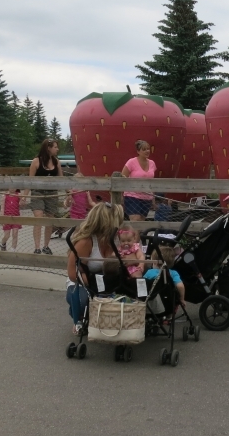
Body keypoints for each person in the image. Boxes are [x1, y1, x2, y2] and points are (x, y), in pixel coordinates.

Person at [66, 202, 124, 334]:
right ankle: (79, 316)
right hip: (84, 282)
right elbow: (72, 274)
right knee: (83, 303)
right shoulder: (86, 242)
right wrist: (91, 283)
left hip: (109, 280)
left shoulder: (118, 238)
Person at [28, 138, 63, 255]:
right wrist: (23, 196)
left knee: (49, 220)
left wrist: (70, 193)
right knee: (38, 218)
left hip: (52, 193)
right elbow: (29, 181)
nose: (57, 149)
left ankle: (46, 246)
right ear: (48, 148)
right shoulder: (36, 161)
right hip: (38, 193)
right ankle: (37, 247)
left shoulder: (57, 162)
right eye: (55, 147)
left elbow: (62, 180)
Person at [121, 140, 157, 221]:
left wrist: (153, 199)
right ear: (138, 151)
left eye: (148, 149)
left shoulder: (152, 163)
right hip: (132, 196)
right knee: (135, 219)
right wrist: (121, 196)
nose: (147, 151)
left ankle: (136, 234)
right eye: (144, 149)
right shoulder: (131, 162)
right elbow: (122, 178)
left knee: (141, 222)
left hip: (147, 197)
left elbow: (152, 182)